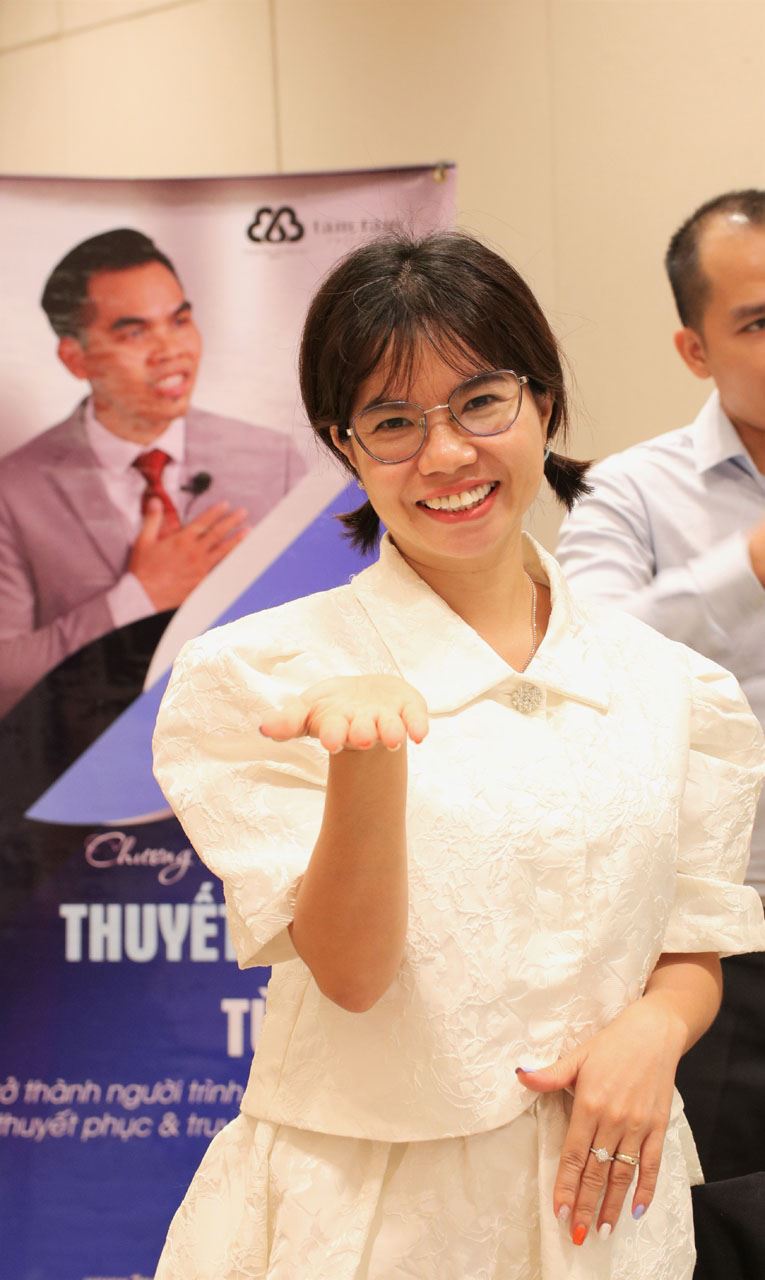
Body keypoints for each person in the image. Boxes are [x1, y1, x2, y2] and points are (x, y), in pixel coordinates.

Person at [151, 231, 765, 1279]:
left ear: (542, 403)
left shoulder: (676, 687)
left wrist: (657, 1029)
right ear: (346, 446)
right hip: (366, 1219)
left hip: (606, 1205)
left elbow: (691, 944)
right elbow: (351, 975)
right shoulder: (263, 674)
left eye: (481, 402)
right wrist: (367, 756)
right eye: (393, 423)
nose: (444, 456)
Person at [556, 189, 765, 1183]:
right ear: (694, 349)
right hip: (724, 945)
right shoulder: (628, 491)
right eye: (758, 321)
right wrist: (747, 567)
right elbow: (580, 664)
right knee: (725, 1217)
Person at [0, 228, 307, 718]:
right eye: (135, 333)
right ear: (75, 358)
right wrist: (137, 597)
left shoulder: (273, 460)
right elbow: (7, 677)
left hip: (253, 738)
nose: (171, 350)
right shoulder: (14, 490)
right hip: (89, 752)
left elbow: (323, 622)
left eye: (179, 321)